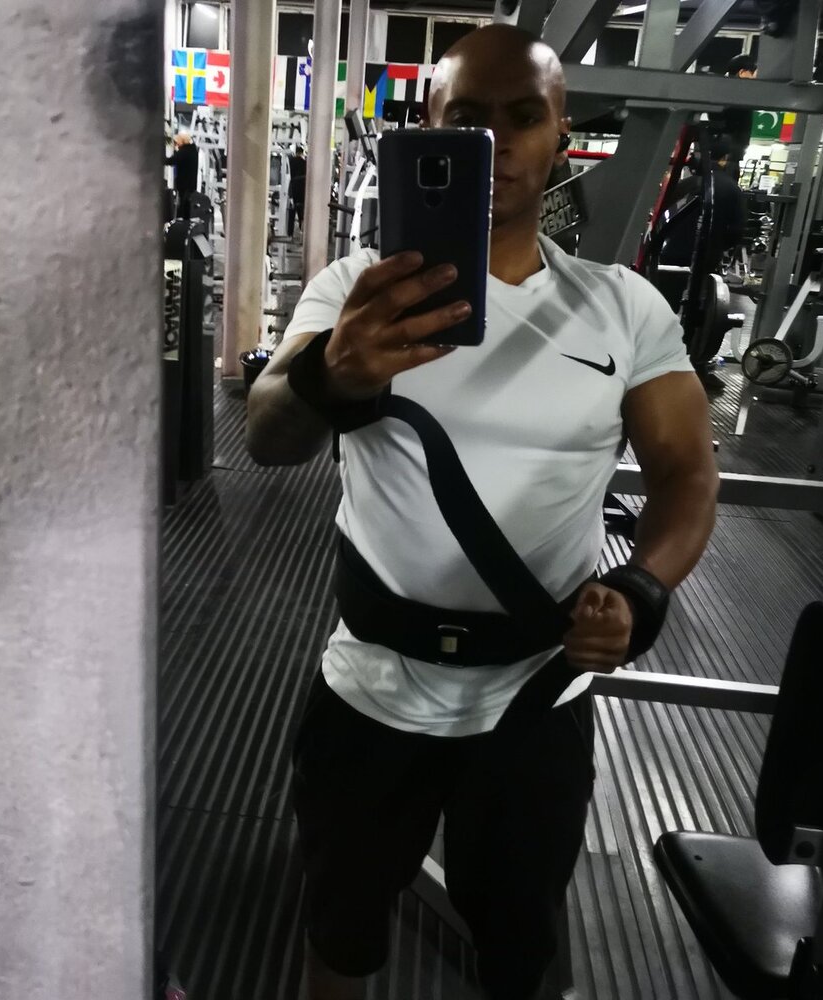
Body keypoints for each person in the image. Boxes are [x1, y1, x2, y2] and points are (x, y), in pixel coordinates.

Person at [247, 24, 718, 1000]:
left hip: (536, 700)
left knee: (519, 952)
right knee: (339, 934)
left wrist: (642, 587)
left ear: (561, 137)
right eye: (468, 120)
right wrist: (331, 374)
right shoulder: (353, 292)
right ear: (428, 126)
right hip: (373, 690)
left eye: (522, 118)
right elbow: (268, 435)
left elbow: (685, 473)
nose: (497, 144)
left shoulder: (622, 307)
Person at [661, 136, 747, 275]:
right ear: (725, 158)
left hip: (673, 252)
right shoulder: (732, 188)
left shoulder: (688, 184)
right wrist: (719, 245)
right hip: (707, 257)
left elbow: (663, 213)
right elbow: (737, 230)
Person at [718, 55, 758, 182]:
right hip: (727, 158)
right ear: (742, 72)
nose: (756, 79)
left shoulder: (721, 91)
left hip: (726, 156)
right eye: (753, 74)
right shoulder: (738, 98)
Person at [165, 132, 199, 218]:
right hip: (190, 184)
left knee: (184, 206)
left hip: (185, 184)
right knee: (186, 205)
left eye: (177, 141)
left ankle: (183, 222)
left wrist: (159, 159)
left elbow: (172, 160)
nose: (176, 144)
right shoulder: (192, 150)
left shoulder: (185, 151)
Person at [288, 145, 307, 234]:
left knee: (291, 212)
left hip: (293, 188)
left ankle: (290, 232)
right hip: (302, 190)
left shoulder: (291, 161)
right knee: (301, 213)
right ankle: (302, 230)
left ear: (296, 153)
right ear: (302, 153)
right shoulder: (305, 163)